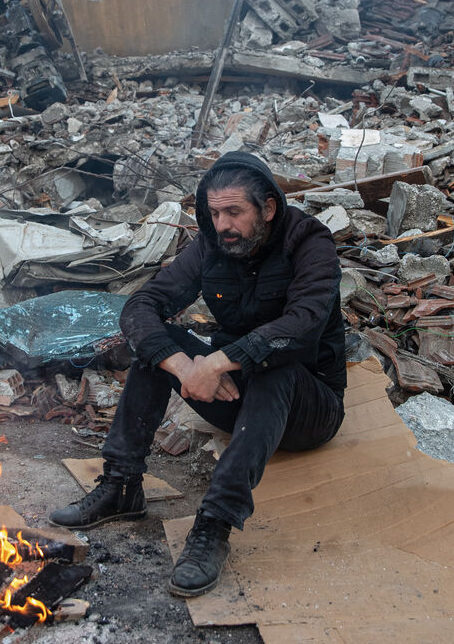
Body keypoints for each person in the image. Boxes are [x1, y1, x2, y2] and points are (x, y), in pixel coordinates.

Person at [49, 151, 347, 597]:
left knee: (277, 365)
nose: (223, 224)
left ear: (267, 208)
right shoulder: (212, 244)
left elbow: (303, 325)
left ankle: (215, 522)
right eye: (214, 213)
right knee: (158, 346)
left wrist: (218, 362)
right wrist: (183, 363)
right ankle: (121, 487)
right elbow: (141, 306)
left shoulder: (308, 241)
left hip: (309, 408)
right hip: (238, 399)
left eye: (234, 212)